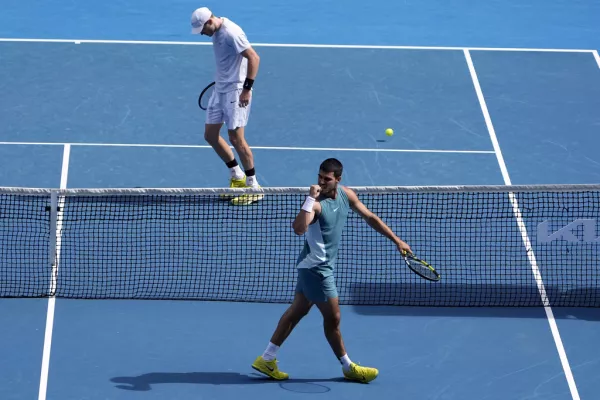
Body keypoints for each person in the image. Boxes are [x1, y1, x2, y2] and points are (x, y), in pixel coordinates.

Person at [251, 158, 413, 383]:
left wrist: (397, 240)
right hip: (317, 270)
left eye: (326, 179)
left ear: (338, 179)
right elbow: (299, 229)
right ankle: (348, 367)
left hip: (311, 266)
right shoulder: (315, 204)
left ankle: (267, 359)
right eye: (319, 177)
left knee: (297, 312)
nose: (321, 182)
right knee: (333, 318)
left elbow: (370, 217)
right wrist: (309, 199)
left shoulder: (347, 194)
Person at [191, 7, 263, 206]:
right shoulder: (216, 30)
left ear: (210, 21)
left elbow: (254, 57)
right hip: (220, 90)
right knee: (210, 135)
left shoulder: (232, 32)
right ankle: (237, 175)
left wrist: (247, 89)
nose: (202, 34)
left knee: (236, 139)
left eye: (202, 29)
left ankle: (254, 186)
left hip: (236, 91)